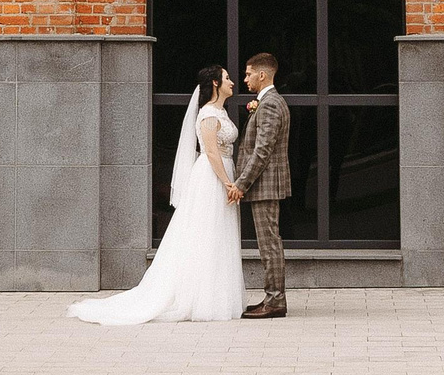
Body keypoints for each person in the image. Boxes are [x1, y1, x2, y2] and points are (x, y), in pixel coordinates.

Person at [67, 65, 245, 325]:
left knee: (218, 234)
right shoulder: (208, 114)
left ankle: (216, 295)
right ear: (216, 83)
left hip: (222, 172)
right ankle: (199, 299)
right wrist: (229, 183)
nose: (232, 81)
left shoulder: (221, 112)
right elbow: (211, 152)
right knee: (206, 233)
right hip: (211, 177)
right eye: (227, 78)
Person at [227, 52, 290, 319]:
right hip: (264, 185)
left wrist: (241, 183)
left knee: (269, 244)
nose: (245, 79)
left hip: (265, 186)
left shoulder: (271, 104)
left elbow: (262, 150)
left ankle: (275, 301)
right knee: (268, 243)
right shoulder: (266, 103)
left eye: (248, 73)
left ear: (262, 75)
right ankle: (271, 297)